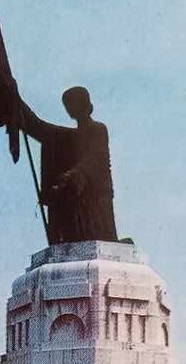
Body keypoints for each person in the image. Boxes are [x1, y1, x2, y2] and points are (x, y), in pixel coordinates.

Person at [14, 85, 118, 245]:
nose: (70, 109)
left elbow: (94, 159)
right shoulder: (68, 137)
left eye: (73, 104)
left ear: (85, 105)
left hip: (96, 198)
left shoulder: (98, 129)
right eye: (68, 105)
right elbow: (39, 127)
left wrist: (72, 175)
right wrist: (16, 103)